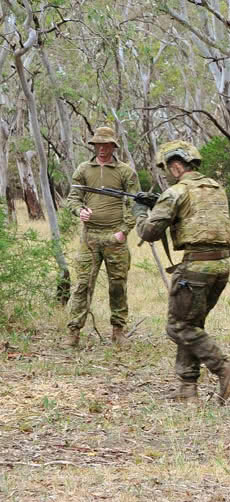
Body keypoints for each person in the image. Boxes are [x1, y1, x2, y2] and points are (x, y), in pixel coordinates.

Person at [133, 140, 230, 404]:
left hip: (195, 268)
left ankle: (224, 367)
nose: (168, 173)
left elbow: (150, 232)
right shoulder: (217, 189)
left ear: (177, 166)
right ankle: (187, 386)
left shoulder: (176, 192)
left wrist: (140, 212)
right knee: (192, 325)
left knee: (178, 326)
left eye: (168, 169)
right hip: (220, 266)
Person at [64, 126, 139, 347]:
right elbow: (73, 198)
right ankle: (73, 331)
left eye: (107, 145)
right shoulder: (84, 169)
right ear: (94, 146)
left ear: (113, 147)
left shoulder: (126, 172)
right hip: (89, 238)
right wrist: (80, 211)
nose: (102, 149)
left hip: (115, 238)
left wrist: (123, 231)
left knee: (118, 285)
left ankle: (118, 330)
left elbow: (135, 204)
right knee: (83, 285)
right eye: (99, 145)